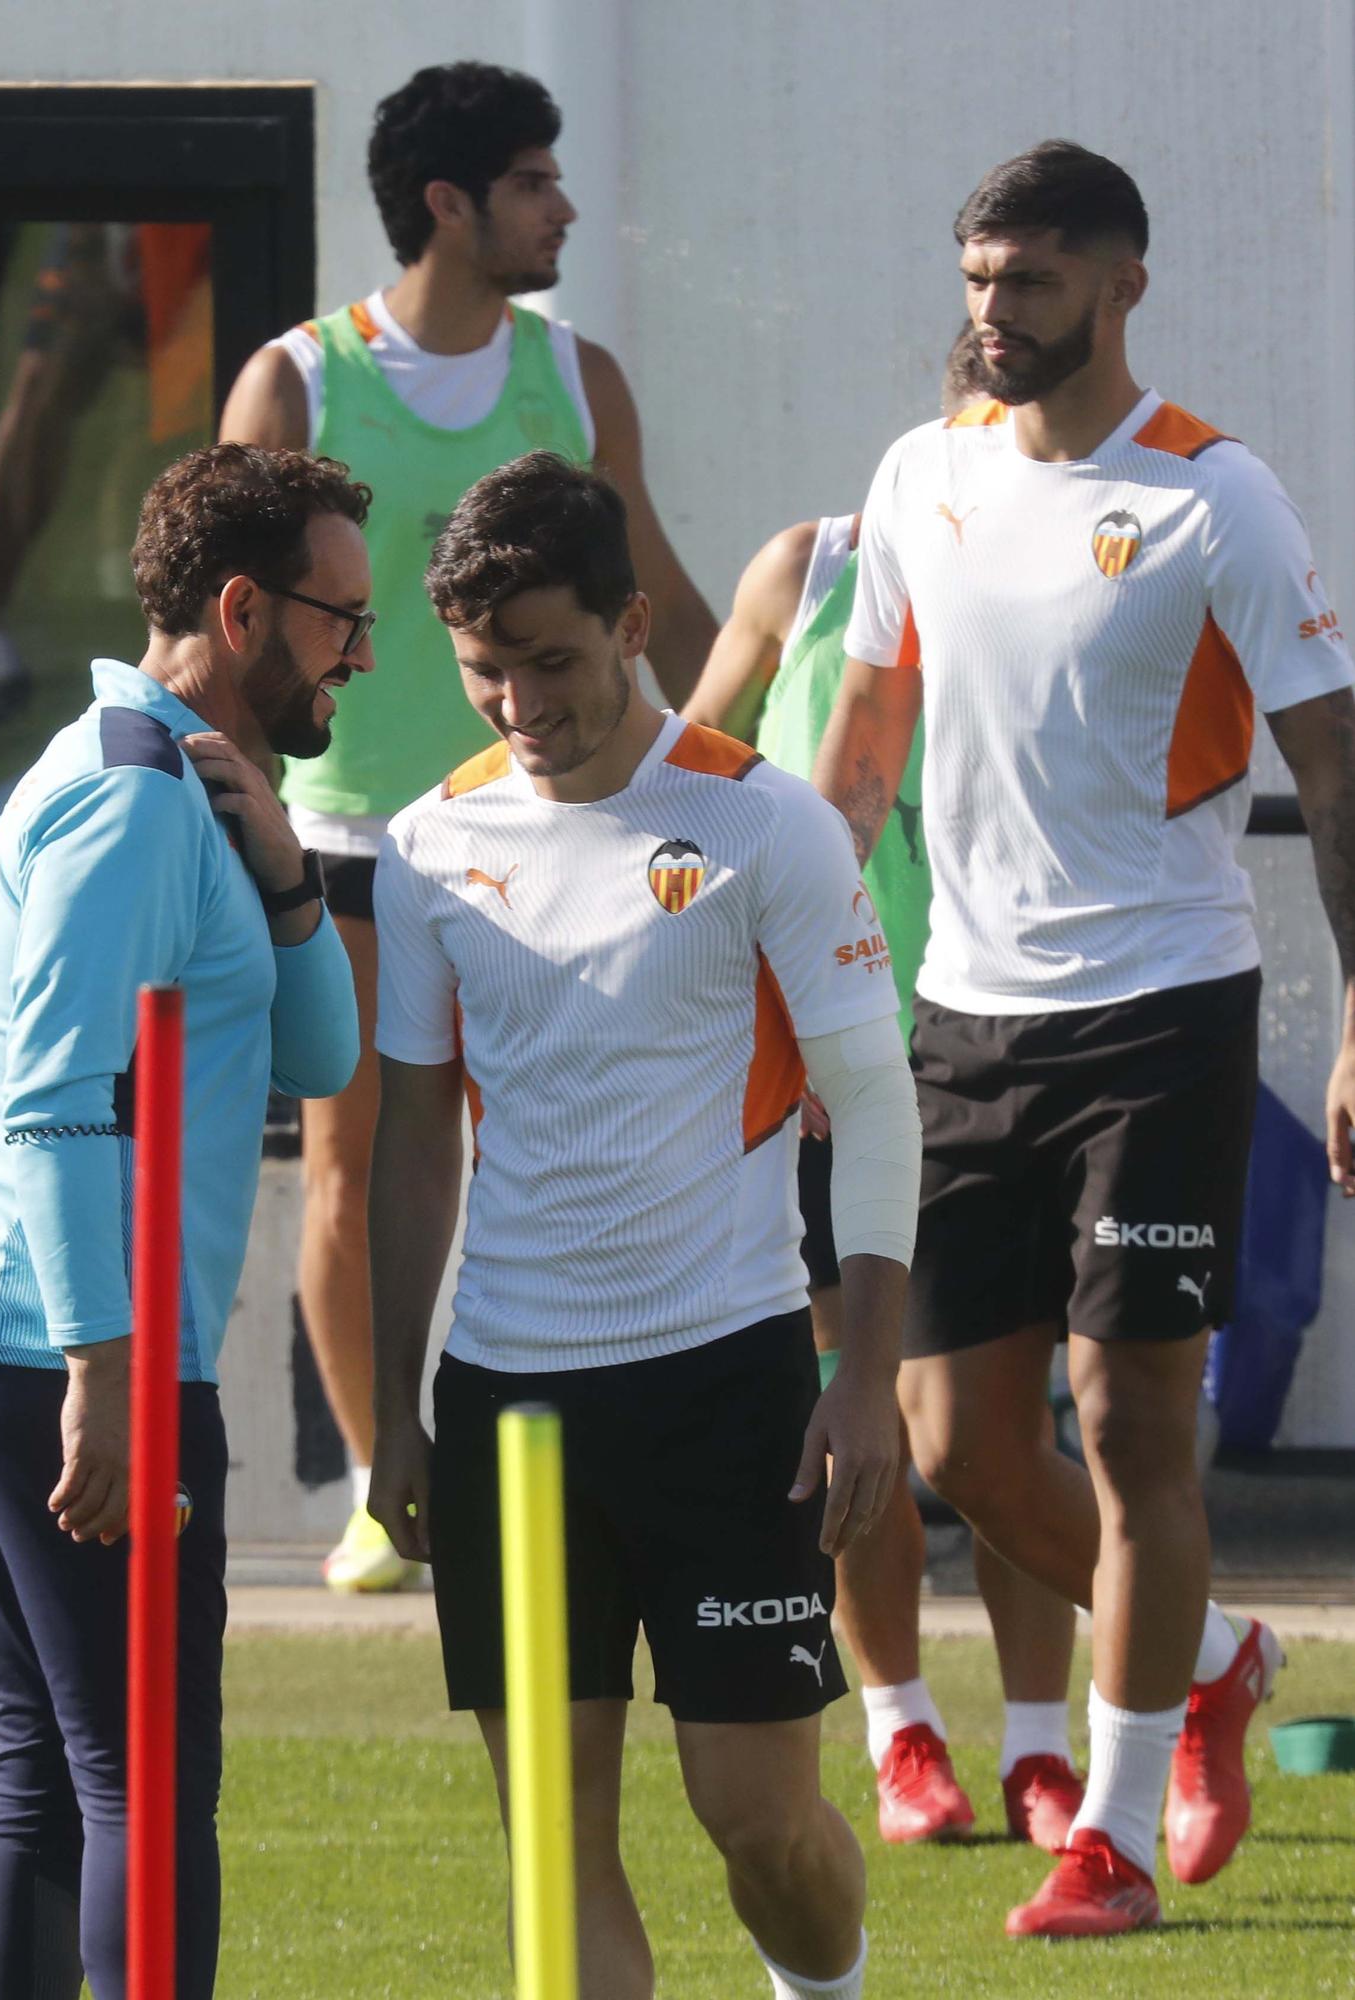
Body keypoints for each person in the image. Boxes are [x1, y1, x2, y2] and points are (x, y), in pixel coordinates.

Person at [816, 139, 1355, 1937]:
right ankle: (1209, 1664)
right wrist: (792, 984)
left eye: (1028, 284)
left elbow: (1335, 761)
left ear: (1122, 285)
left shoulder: (1217, 498)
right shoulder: (917, 477)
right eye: (975, 281)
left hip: (1162, 1020)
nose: (990, 316)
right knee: (958, 1449)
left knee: (1132, 1426)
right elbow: (861, 746)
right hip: (958, 1018)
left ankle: (1109, 1837)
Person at [368, 452, 921, 2000]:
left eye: (548, 662)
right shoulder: (425, 849)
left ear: (626, 624)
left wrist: (863, 1373)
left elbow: (872, 1108)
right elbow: (413, 1139)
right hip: (510, 1412)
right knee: (554, 1848)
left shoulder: (767, 824)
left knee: (757, 1821)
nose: (517, 704)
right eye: (484, 673)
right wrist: (399, 1420)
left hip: (726, 1388)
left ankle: (824, 1984)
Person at [220, 61, 718, 1591]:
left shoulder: (577, 380)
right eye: (531, 181)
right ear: (447, 205)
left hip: (541, 847)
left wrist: (760, 779)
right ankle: (388, 1489)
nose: (563, 206)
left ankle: (563, 1461)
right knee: (354, 1163)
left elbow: (665, 603)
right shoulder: (297, 379)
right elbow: (225, 631)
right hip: (351, 843)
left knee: (551, 1154)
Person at [0, 441, 365, 2000]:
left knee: (52, 1777)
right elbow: (53, 1100)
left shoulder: (185, 792)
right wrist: (108, 1372)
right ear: (240, 609)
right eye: (335, 620)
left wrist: (288, 881)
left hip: (20, 1336)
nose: (357, 657)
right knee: (137, 1788)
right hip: (71, 1348)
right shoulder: (130, 801)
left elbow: (318, 1061)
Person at [682, 329, 1081, 1852]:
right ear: (939, 432)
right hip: (817, 1067)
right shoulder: (812, 569)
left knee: (993, 1415)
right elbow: (690, 762)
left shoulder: (1066, 583)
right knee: (851, 1422)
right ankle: (903, 1730)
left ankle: (1042, 1746)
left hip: (987, 1050)